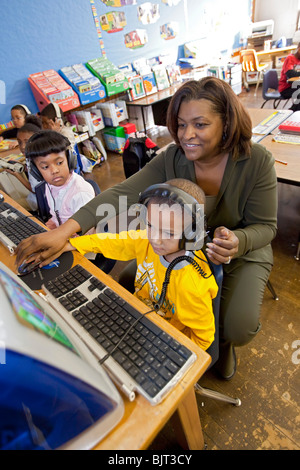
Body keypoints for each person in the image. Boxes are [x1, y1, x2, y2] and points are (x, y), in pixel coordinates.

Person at [15, 77, 278, 380]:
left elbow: (266, 227)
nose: (187, 135)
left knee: (236, 324)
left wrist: (239, 240)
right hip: (178, 247)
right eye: (180, 125)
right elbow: (120, 194)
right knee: (130, 280)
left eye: (200, 125)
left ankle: (223, 344)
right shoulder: (172, 157)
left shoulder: (256, 161)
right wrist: (66, 231)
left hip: (240, 253)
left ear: (227, 123)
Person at [62, 178, 218, 351]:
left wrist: (172, 354)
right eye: (151, 225)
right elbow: (115, 242)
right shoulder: (146, 239)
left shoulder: (191, 287)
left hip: (163, 339)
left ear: (192, 234)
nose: (155, 239)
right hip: (136, 317)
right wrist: (74, 244)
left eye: (168, 232)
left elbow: (203, 338)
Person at [24, 130, 95, 229]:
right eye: (45, 167)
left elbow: (90, 233)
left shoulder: (80, 194)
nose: (54, 171)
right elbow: (57, 215)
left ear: (70, 160)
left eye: (59, 162)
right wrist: (53, 223)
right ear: (36, 171)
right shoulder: (50, 186)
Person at [5, 114, 43, 210]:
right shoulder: (34, 156)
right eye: (20, 142)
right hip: (35, 199)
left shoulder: (38, 162)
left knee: (7, 207)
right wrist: (22, 166)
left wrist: (17, 175)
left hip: (37, 202)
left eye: (27, 141)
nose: (22, 147)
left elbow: (35, 191)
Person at [278, 42, 300, 110]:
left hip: (296, 86)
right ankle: (292, 111)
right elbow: (290, 74)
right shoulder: (290, 58)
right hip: (285, 89)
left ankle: (293, 110)